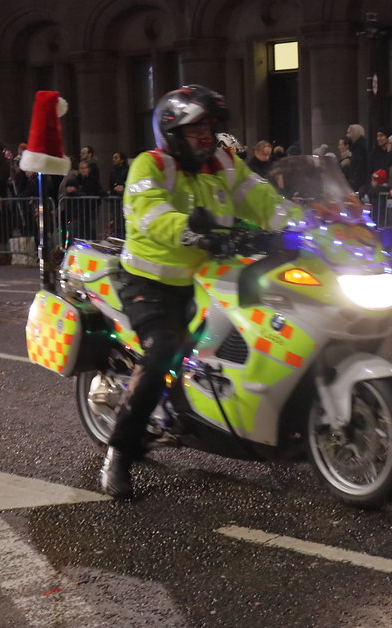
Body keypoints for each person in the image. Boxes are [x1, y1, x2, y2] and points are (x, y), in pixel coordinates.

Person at [101, 85, 298, 499]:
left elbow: (260, 198)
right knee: (164, 351)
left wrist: (301, 223)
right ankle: (120, 452)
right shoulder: (148, 166)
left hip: (209, 277)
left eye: (210, 129)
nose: (206, 138)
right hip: (152, 284)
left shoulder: (223, 164)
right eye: (197, 131)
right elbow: (151, 213)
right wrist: (189, 229)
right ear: (172, 133)